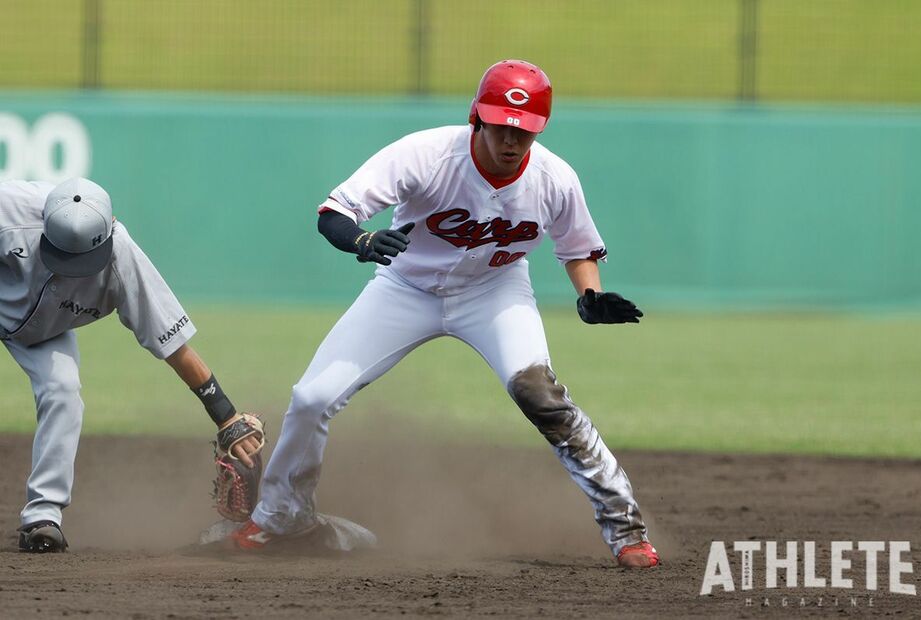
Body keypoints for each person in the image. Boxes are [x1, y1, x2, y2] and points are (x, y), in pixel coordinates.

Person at [232, 59, 658, 567]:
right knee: (311, 397)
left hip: (495, 291)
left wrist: (589, 296)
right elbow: (334, 213)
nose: (511, 141)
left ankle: (626, 531)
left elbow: (576, 247)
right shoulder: (427, 154)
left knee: (540, 395)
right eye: (501, 125)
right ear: (477, 116)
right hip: (405, 288)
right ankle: (282, 518)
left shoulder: (553, 178)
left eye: (524, 131)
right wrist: (363, 241)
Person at [1, 177, 263, 553]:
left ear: (110, 230)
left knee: (64, 391)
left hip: (44, 332)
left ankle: (42, 518)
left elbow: (175, 347)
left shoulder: (123, 258)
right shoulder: (8, 208)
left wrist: (224, 414)